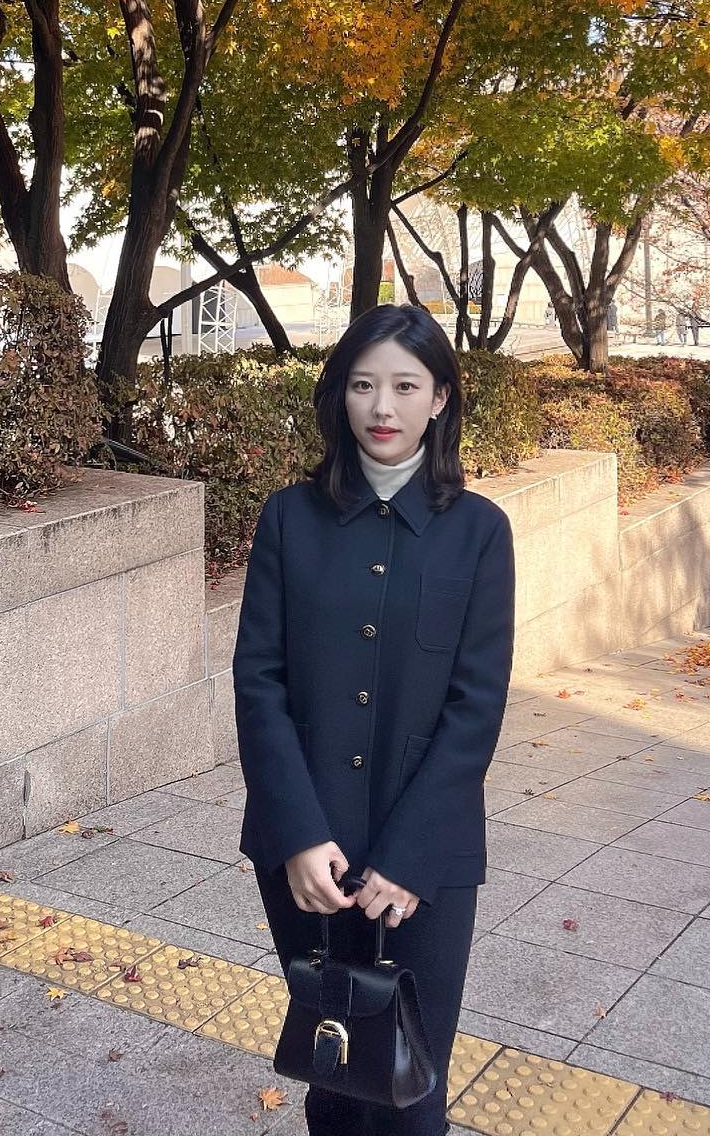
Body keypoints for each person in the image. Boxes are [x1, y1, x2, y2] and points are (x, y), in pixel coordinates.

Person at [232, 303, 516, 1136]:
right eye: (362, 386)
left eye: (405, 386)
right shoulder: (289, 518)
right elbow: (259, 683)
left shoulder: (479, 531)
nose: (382, 408)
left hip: (427, 859)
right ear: (339, 397)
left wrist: (410, 857)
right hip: (306, 851)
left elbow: (475, 707)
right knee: (333, 1071)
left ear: (441, 399)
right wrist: (296, 835)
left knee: (410, 1084)